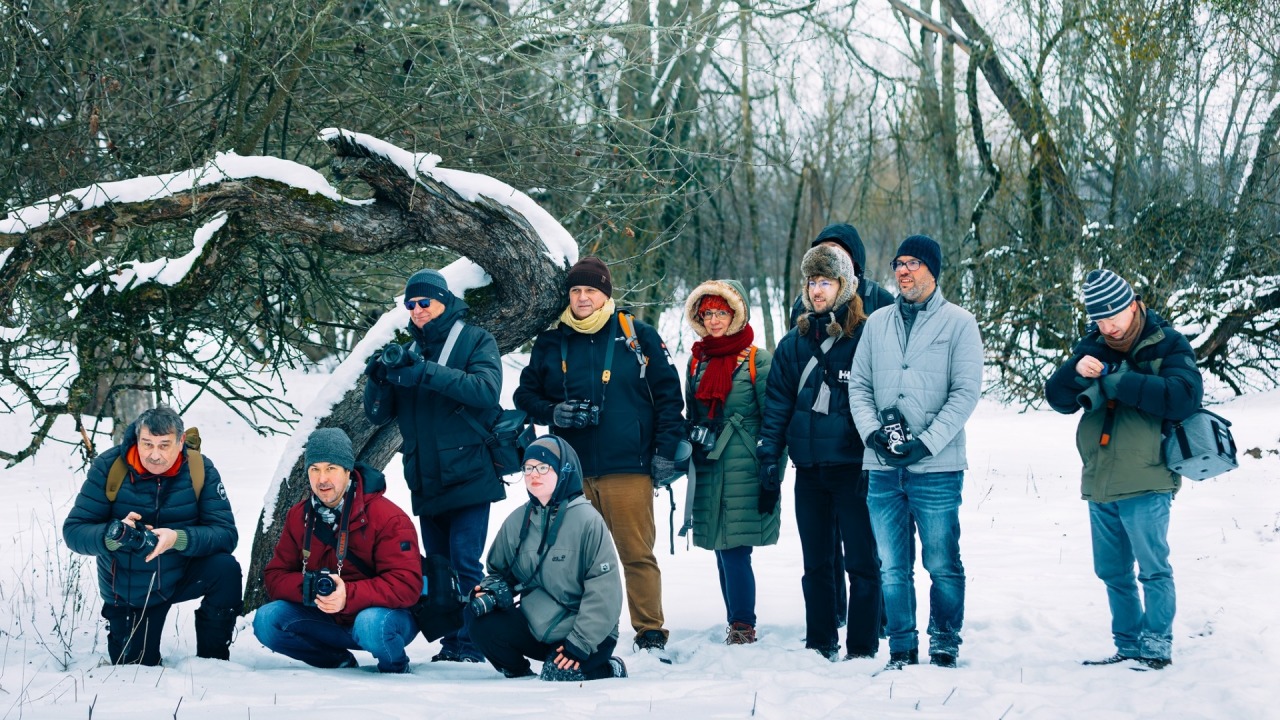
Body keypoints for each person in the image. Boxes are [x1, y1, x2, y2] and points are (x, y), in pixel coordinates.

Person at [513, 257, 685, 652]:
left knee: (636, 554)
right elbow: (525, 395)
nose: (582, 297)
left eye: (591, 290)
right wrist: (553, 412)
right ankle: (577, 634)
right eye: (575, 290)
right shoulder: (551, 342)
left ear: (605, 293)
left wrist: (663, 452)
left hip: (628, 465)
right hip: (569, 472)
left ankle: (650, 631)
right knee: (573, 560)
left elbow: (668, 396)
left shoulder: (636, 335)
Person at [1044, 269, 1202, 671]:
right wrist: (1075, 371)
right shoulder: (1094, 345)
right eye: (1099, 320)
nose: (1108, 327)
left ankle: (1156, 644)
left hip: (1148, 477)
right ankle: (1128, 644)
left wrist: (1120, 382)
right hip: (1100, 478)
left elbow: (1185, 397)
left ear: (1133, 305)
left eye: (1113, 316)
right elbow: (1057, 399)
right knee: (1112, 571)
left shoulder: (1168, 343)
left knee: (1153, 569)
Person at [848, 234, 983, 670]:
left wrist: (926, 443)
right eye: (898, 263)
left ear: (932, 270)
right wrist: (872, 434)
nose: (902, 271)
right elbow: (859, 386)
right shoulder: (876, 323)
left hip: (937, 467)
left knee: (942, 562)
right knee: (891, 565)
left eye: (912, 263)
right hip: (883, 467)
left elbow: (965, 393)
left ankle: (944, 642)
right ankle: (902, 647)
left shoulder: (960, 323)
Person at [363, 268, 505, 663]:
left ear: (444, 300)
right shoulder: (408, 350)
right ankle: (454, 642)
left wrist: (424, 372)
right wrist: (378, 380)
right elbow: (378, 415)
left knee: (465, 562)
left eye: (425, 301)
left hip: (470, 472)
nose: (418, 309)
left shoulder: (475, 339)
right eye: (410, 304)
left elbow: (486, 391)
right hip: (425, 477)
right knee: (440, 568)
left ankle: (475, 643)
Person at [756, 245, 882, 661]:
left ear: (843, 286)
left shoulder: (865, 337)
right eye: (812, 281)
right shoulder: (794, 343)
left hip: (853, 467)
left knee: (862, 563)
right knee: (816, 564)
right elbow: (777, 405)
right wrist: (769, 459)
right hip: (808, 469)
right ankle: (821, 643)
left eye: (825, 281)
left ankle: (862, 647)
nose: (817, 290)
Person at [63, 406, 241, 666]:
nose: (154, 455)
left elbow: (226, 534)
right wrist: (114, 535)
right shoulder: (109, 467)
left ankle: (213, 661)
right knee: (136, 668)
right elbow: (74, 531)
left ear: (181, 441)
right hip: (130, 591)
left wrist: (178, 538)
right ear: (137, 438)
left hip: (180, 573)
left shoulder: (199, 468)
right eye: (147, 444)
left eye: (164, 445)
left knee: (225, 569)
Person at [786, 223, 894, 630]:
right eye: (822, 251)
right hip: (814, 452)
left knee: (865, 544)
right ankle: (833, 615)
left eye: (838, 252)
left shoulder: (879, 301)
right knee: (822, 547)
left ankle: (878, 618)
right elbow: (797, 370)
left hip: (856, 450)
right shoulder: (805, 303)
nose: (829, 258)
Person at [255, 428, 423, 673]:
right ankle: (336, 662)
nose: (322, 479)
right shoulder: (299, 516)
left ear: (347, 470)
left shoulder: (388, 518)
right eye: (315, 469)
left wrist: (349, 595)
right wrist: (310, 588)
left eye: (331, 468)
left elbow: (407, 585)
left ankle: (395, 669)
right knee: (267, 620)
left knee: (370, 624)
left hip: (383, 619)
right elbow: (275, 575)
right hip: (326, 617)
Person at [469, 435, 628, 680]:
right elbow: (498, 572)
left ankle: (610, 668)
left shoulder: (588, 521)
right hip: (537, 625)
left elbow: (604, 591)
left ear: (564, 471)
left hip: (588, 633)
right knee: (478, 618)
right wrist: (491, 591)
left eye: (543, 468)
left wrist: (580, 642)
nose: (534, 475)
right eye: (528, 468)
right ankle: (519, 673)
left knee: (558, 674)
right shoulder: (517, 521)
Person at [682, 279, 778, 645]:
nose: (714, 320)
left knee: (736, 547)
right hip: (709, 462)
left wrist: (771, 470)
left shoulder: (756, 360)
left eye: (722, 313)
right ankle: (735, 620)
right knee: (720, 546)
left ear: (736, 315)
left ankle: (743, 625)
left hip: (745, 465)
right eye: (707, 313)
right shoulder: (697, 361)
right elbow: (691, 413)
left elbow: (774, 419)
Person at [788, 223, 895, 327]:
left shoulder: (880, 301)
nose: (826, 255)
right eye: (820, 250)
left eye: (834, 249)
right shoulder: (802, 304)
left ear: (852, 258)